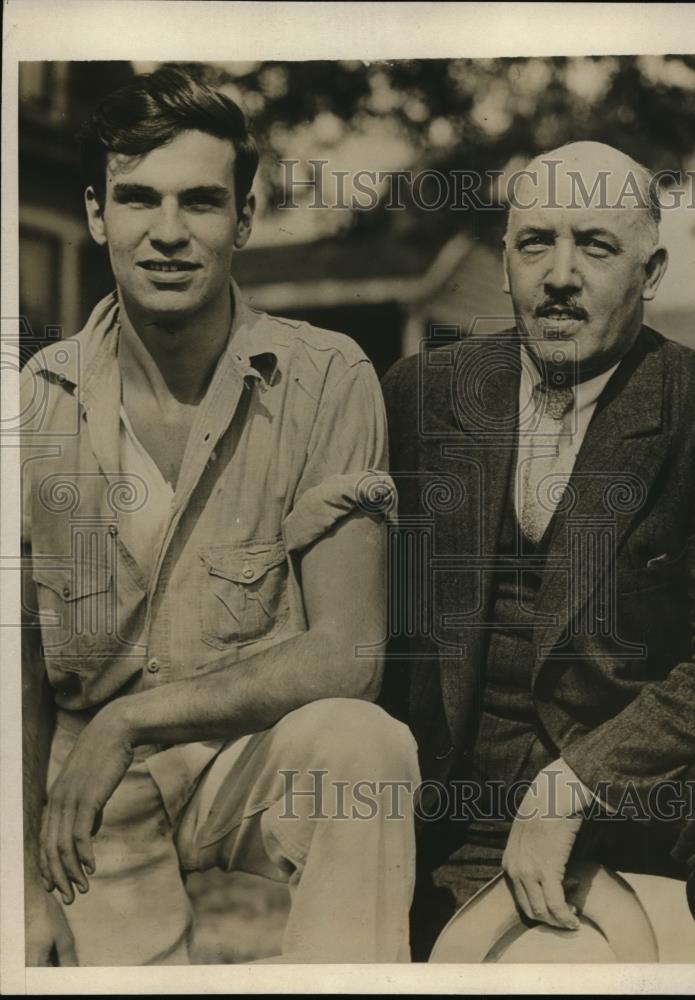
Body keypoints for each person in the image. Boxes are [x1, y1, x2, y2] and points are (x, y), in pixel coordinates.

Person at [20, 65, 420, 966]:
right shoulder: (31, 406)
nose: (167, 233)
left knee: (365, 748)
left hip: (246, 750)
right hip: (88, 785)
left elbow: (349, 651)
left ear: (243, 218)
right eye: (137, 200)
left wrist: (135, 719)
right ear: (95, 215)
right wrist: (21, 878)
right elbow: (15, 663)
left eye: (201, 202)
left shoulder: (328, 378)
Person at [381, 141, 695, 960]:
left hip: (641, 822)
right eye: (536, 243)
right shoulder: (421, 395)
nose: (560, 275)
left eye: (595, 246)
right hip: (445, 824)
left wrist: (580, 778)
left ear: (652, 270)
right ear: (505, 262)